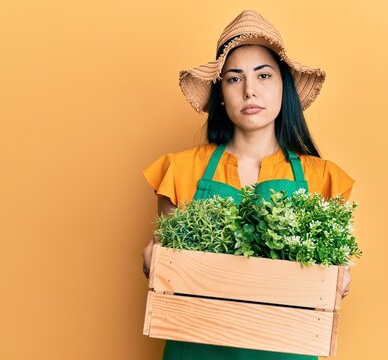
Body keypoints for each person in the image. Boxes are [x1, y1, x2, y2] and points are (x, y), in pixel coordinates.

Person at [141, 10, 355, 360]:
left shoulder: (323, 178)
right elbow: (163, 257)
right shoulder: (179, 169)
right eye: (234, 79)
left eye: (264, 75)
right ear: (221, 94)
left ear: (283, 87)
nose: (250, 90)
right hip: (195, 347)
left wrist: (340, 279)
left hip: (286, 351)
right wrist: (153, 258)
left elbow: (333, 272)